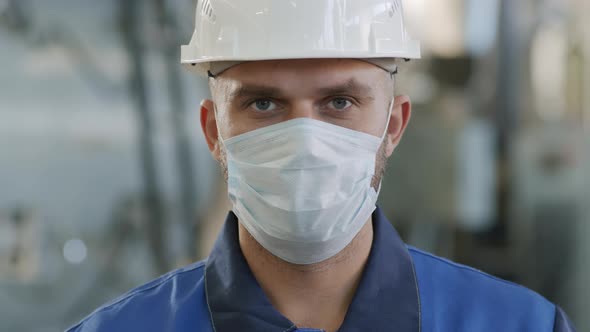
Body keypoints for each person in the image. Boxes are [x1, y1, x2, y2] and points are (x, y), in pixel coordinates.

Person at [66, 1, 576, 331]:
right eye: (264, 104)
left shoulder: (517, 325)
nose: (305, 143)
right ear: (214, 131)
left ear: (393, 126)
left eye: (339, 103)